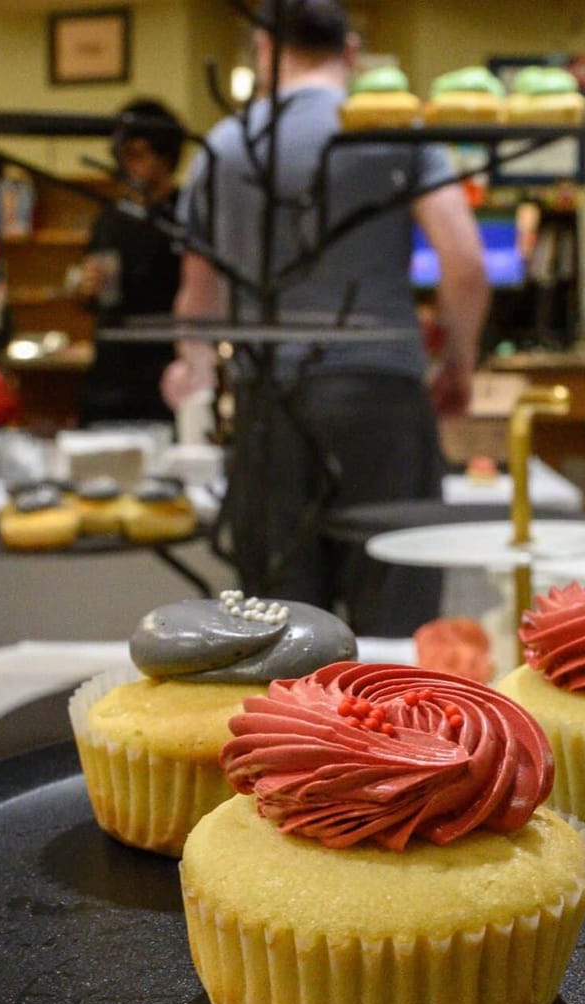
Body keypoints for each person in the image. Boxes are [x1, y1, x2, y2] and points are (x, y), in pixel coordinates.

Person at [162, 0, 488, 636]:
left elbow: (199, 296)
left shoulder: (225, 145)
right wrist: (459, 362)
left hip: (267, 405)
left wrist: (193, 369)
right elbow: (467, 265)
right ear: (351, 53)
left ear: (263, 50)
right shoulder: (395, 131)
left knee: (278, 632)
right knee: (397, 622)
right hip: (383, 397)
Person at [75, 99, 185, 425]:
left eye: (136, 154)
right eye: (120, 155)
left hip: (165, 376)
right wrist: (85, 288)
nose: (125, 165)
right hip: (108, 376)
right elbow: (92, 300)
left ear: (165, 157)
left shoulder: (185, 215)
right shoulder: (110, 218)